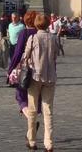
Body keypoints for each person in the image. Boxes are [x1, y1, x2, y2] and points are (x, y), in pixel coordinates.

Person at [22, 13, 58, 152]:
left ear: (36, 24)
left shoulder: (33, 38)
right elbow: (55, 57)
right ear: (48, 24)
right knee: (48, 110)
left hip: (35, 77)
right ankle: (49, 143)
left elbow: (26, 56)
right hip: (50, 77)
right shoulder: (54, 39)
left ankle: (32, 140)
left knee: (32, 110)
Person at [9, 11, 39, 115]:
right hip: (39, 68)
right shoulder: (39, 33)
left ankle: (29, 116)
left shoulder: (24, 33)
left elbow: (17, 53)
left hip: (26, 68)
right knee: (35, 95)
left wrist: (11, 69)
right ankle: (34, 118)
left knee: (20, 95)